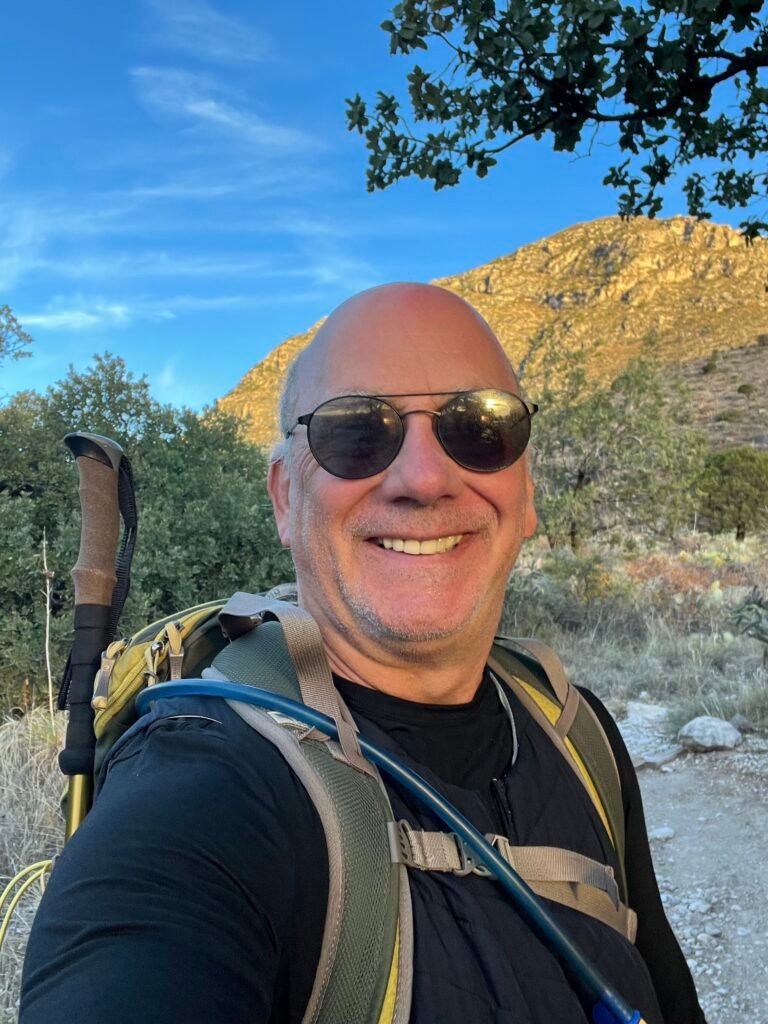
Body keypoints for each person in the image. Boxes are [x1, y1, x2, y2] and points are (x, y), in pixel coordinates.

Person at [21, 283, 706, 1023]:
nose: (424, 478)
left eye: (479, 428)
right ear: (286, 498)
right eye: (356, 433)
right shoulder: (207, 786)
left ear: (525, 486)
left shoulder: (575, 732)